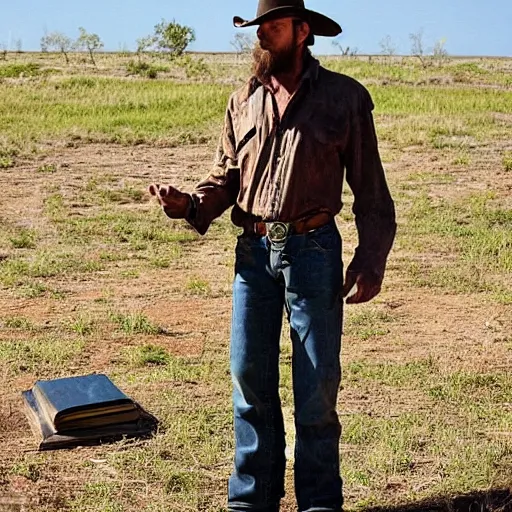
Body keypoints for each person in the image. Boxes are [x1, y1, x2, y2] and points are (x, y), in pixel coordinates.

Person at [149, 0, 396, 510]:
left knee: (317, 383)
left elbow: (371, 190)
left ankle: (320, 501)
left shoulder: (344, 98)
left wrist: (371, 259)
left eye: (274, 27)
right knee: (247, 374)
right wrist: (190, 203)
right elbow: (225, 180)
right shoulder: (242, 100)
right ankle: (251, 498)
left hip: (314, 249)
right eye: (259, 28)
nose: (262, 37)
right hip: (253, 253)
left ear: (303, 32)